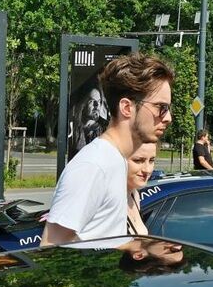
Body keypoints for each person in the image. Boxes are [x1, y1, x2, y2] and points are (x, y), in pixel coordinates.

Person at [42, 54, 173, 247]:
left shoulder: (116, 161)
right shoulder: (93, 166)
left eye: (168, 108)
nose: (168, 117)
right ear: (127, 107)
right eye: (160, 108)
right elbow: (49, 249)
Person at [126, 142, 157, 236]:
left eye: (151, 160)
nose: (147, 170)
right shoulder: (103, 199)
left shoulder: (134, 195)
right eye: (138, 160)